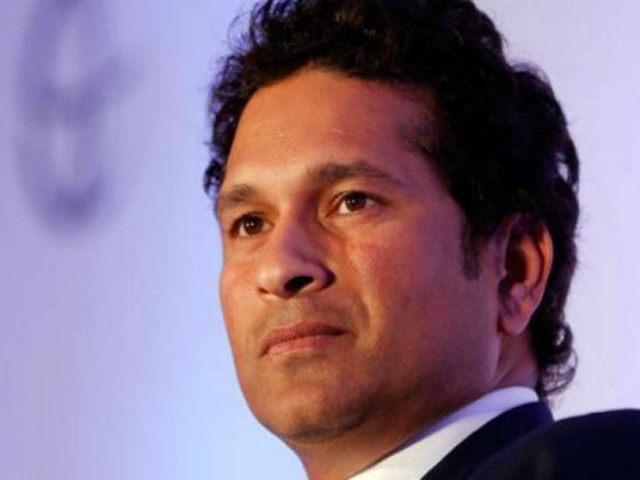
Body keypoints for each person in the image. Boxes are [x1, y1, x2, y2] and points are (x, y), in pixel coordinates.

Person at [204, 1, 640, 479]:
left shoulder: (599, 464)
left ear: (514, 271)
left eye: (353, 201)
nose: (279, 267)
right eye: (250, 224)